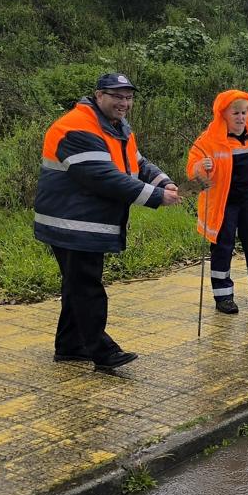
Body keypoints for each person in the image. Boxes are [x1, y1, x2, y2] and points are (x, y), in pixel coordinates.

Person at [34, 73, 180, 371]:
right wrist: (155, 196)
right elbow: (103, 177)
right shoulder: (76, 127)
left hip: (84, 221)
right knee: (87, 285)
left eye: (128, 97)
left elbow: (135, 162)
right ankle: (103, 351)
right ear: (99, 95)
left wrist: (163, 181)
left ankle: (70, 346)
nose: (124, 103)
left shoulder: (115, 127)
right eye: (117, 96)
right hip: (71, 222)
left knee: (77, 283)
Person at [186, 90, 248, 314]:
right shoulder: (209, 139)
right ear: (223, 114)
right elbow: (192, 170)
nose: (241, 117)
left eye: (244, 112)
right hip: (224, 204)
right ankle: (223, 297)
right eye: (235, 113)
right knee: (223, 247)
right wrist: (203, 166)